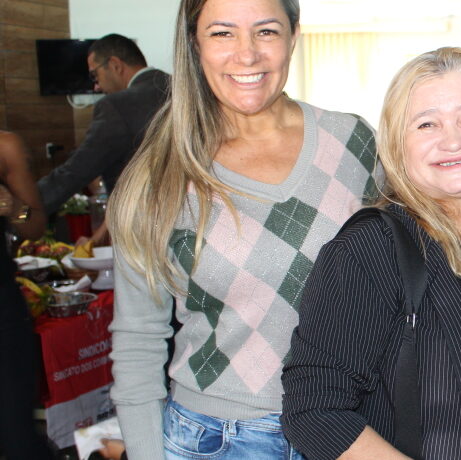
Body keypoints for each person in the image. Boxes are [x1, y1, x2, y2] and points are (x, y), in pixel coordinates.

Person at [105, 0, 378, 458]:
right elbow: (138, 338)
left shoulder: (354, 143)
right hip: (221, 438)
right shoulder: (158, 178)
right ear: (194, 43)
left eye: (266, 31)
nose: (247, 54)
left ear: (293, 34)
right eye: (222, 33)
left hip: (354, 427)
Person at [281, 47, 461, 460]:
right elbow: (313, 411)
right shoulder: (371, 249)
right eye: (426, 124)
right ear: (397, 144)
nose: (452, 140)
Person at [37, 33, 170, 217]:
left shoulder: (117, 106)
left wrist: (25, 206)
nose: (96, 87)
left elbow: (77, 171)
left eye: (95, 75)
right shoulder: (182, 88)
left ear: (115, 65)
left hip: (143, 221)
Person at [0, 131, 51, 460]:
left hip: (3, 312)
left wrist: (13, 207)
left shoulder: (5, 147)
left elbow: (35, 226)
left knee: (16, 434)